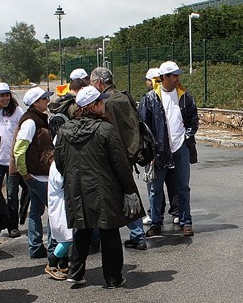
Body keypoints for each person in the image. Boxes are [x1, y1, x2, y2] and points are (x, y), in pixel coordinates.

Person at [54, 86, 144, 287]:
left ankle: (75, 272)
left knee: (82, 230)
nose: (104, 105)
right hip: (104, 189)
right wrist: (130, 190)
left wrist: (73, 179)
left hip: (77, 189)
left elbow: (59, 163)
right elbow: (120, 164)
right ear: (93, 105)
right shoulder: (105, 130)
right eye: (100, 102)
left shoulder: (65, 130)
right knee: (109, 232)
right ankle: (113, 278)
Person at [138, 60, 199, 238]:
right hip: (159, 151)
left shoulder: (186, 97)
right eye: (174, 75)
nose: (177, 78)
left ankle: (186, 222)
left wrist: (187, 137)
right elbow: (143, 127)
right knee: (156, 189)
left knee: (183, 188)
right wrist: (149, 151)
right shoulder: (150, 99)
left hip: (181, 148)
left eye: (178, 75)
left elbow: (193, 120)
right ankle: (156, 222)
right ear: (164, 77)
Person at [90, 67, 147, 250]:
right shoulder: (124, 97)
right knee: (130, 193)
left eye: (92, 83)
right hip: (129, 154)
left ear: (99, 82)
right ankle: (138, 235)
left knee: (104, 196)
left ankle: (98, 236)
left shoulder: (106, 102)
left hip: (111, 156)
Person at [13, 86, 57, 260]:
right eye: (44, 99)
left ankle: (36, 247)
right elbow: (19, 149)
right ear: (35, 103)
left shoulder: (37, 119)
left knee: (36, 211)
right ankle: (53, 250)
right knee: (54, 211)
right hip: (37, 176)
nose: (47, 101)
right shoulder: (31, 122)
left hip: (37, 174)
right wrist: (24, 173)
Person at [141, 68, 178, 227]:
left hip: (157, 149)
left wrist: (147, 150)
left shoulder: (149, 99)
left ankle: (155, 215)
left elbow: (143, 126)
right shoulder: (167, 96)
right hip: (169, 148)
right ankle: (174, 212)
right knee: (172, 182)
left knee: (154, 185)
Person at [0, 82, 23, 238]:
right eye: (2, 95)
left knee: (12, 194)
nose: (5, 98)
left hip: (12, 161)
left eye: (7, 95)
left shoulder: (17, 111)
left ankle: (12, 225)